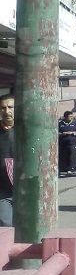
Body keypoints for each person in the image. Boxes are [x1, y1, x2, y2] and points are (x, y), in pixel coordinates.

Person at [0, 94, 14, 226]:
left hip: (26, 188)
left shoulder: (27, 130)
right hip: (3, 191)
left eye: (10, 107)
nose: (7, 111)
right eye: (3, 108)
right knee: (6, 225)